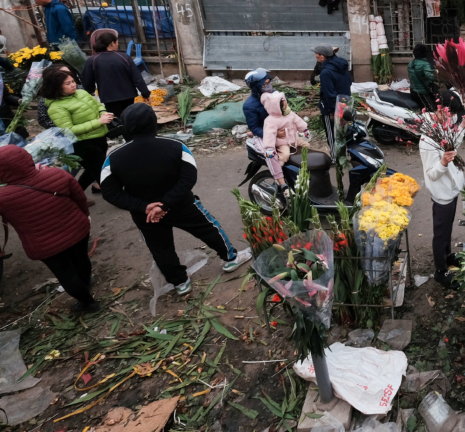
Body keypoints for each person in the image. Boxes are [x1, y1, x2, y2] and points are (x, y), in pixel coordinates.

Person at [100, 104, 251, 295]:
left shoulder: (114, 158)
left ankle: (180, 283)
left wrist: (144, 206)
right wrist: (166, 203)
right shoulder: (174, 145)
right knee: (207, 228)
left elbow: (109, 192)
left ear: (126, 127)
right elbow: (189, 177)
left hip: (146, 215)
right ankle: (231, 259)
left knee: (160, 248)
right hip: (181, 204)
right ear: (154, 123)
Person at [0, 144, 98, 311]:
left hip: (44, 245)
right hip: (76, 229)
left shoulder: (3, 198)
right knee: (81, 259)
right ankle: (86, 282)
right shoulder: (58, 174)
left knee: (65, 274)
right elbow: (80, 199)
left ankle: (88, 303)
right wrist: (84, 217)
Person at [420, 91, 465, 289]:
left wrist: (462, 127)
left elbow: (452, 145)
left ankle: (448, 255)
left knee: (448, 227)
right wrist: (443, 162)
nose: (453, 119)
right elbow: (431, 174)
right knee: (440, 232)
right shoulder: (427, 141)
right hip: (441, 193)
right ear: (440, 110)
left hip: (452, 189)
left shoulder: (445, 126)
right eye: (451, 115)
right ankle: (440, 270)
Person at [40, 65, 113, 194]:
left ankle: (74, 194)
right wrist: (98, 122)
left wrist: (103, 113)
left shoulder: (81, 92)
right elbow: (69, 130)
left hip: (100, 136)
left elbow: (97, 105)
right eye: (68, 83)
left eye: (73, 81)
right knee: (102, 173)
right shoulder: (56, 107)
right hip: (84, 144)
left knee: (95, 170)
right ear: (57, 87)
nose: (73, 85)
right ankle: (117, 196)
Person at [81, 30, 150, 119]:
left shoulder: (92, 60)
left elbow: (87, 78)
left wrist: (90, 90)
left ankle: (119, 131)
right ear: (112, 43)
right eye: (117, 42)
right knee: (128, 116)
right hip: (128, 95)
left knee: (115, 118)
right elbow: (137, 77)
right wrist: (145, 93)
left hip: (108, 97)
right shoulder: (124, 57)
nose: (118, 44)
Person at [242, 68, 284, 185]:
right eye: (264, 84)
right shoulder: (250, 106)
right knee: (271, 154)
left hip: (279, 130)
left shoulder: (274, 96)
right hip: (263, 135)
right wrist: (273, 134)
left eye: (269, 82)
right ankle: (282, 184)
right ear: (256, 86)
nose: (268, 86)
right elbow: (254, 128)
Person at [261, 91, 310, 186]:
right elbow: (269, 134)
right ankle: (279, 173)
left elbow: (298, 121)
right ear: (276, 108)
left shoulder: (289, 113)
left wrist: (304, 129)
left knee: (306, 145)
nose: (286, 106)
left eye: (285, 104)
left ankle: (301, 164)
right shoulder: (271, 120)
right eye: (283, 106)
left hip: (294, 139)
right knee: (285, 155)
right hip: (283, 142)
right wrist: (270, 148)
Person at [312, 45, 352, 155]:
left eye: (317, 55)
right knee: (343, 131)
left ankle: (335, 157)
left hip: (332, 108)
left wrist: (329, 110)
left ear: (323, 57)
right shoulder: (342, 66)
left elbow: (329, 93)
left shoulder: (326, 72)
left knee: (332, 134)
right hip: (345, 103)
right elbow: (349, 82)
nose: (315, 56)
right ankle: (345, 153)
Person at [408, 44, 438, 110]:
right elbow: (432, 76)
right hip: (423, 94)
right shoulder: (425, 64)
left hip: (413, 92)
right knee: (433, 110)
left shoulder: (411, 63)